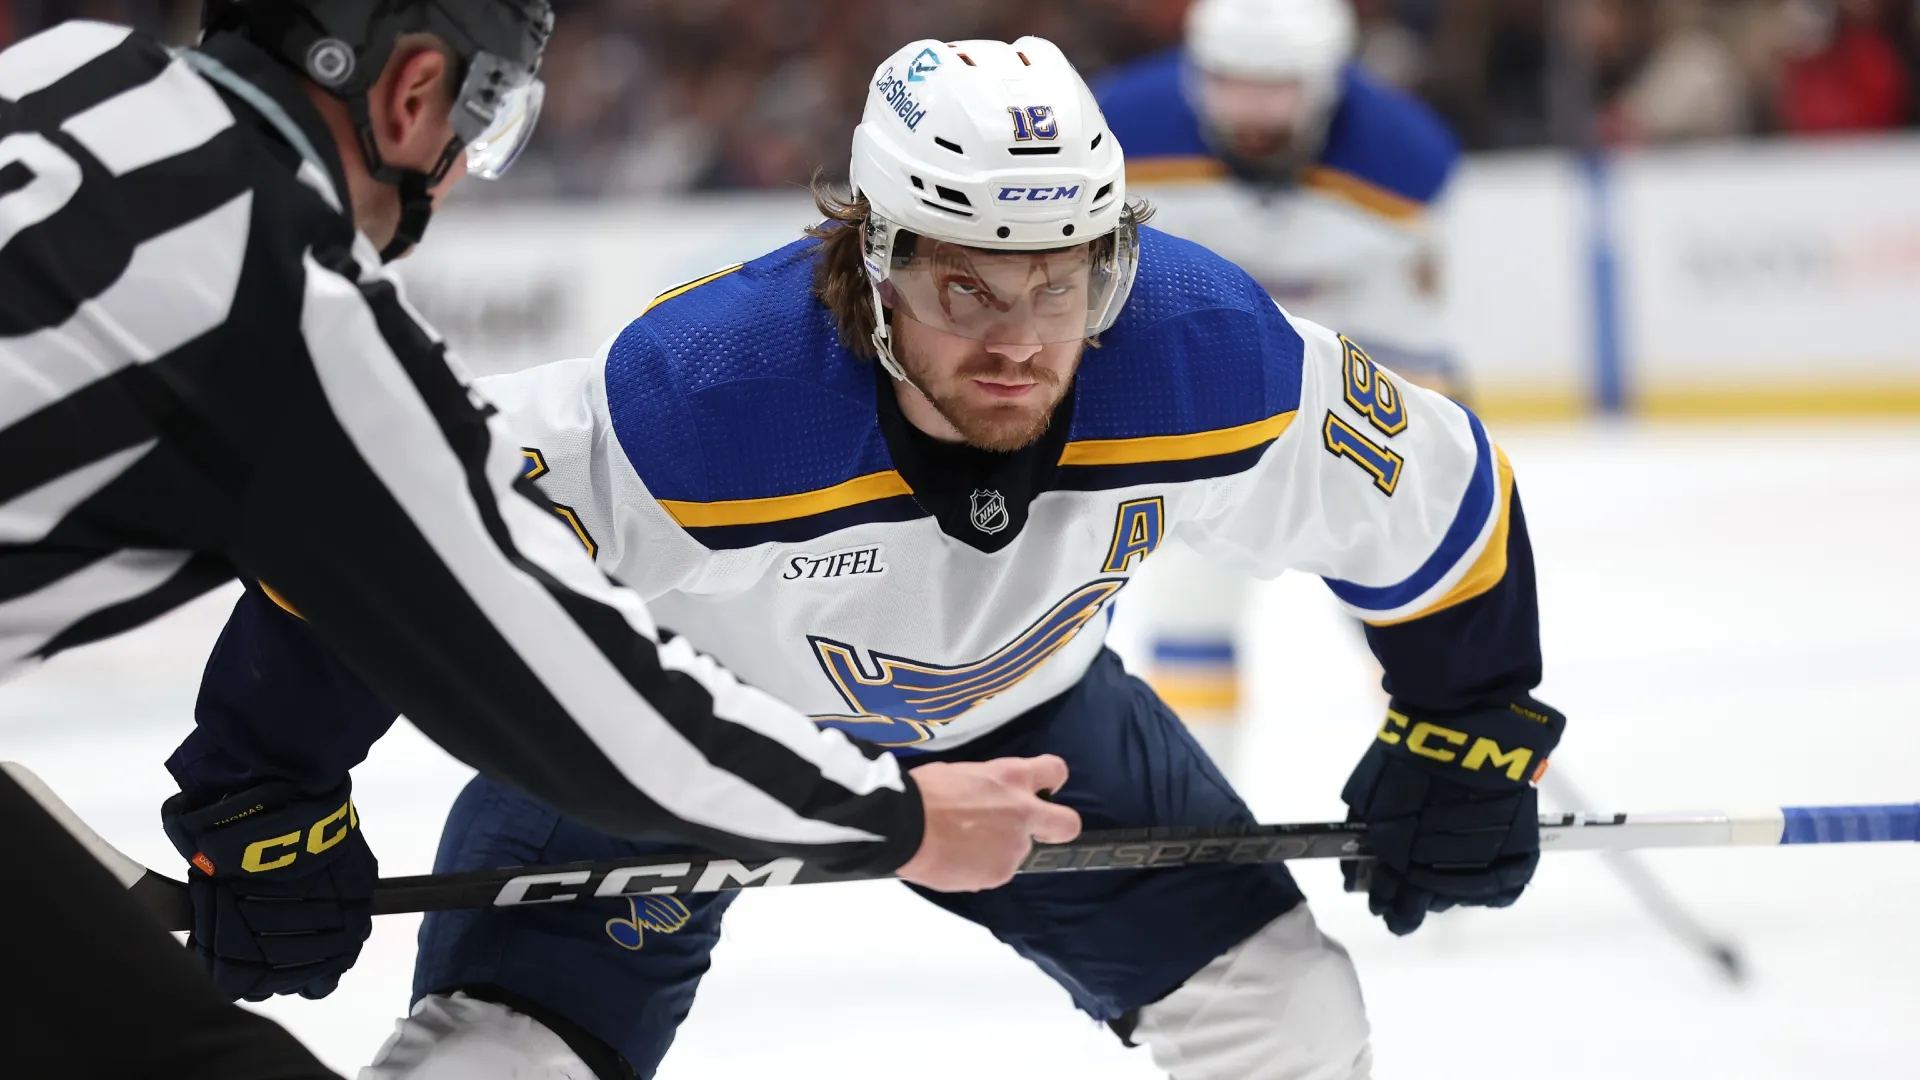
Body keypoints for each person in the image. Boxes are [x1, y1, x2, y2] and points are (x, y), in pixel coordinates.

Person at [171, 36, 1562, 1080]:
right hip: (683, 746)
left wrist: (1468, 719)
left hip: (1031, 720)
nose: (1021, 341)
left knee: (1291, 1014)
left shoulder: (1205, 357)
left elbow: (1436, 494)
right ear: (873, 260)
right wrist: (265, 786)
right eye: (967, 285)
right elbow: (398, 531)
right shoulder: (708, 396)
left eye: (1063, 280)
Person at [0, 5, 1071, 1075]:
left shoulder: (65, 67)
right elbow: (567, 692)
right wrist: (895, 818)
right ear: (416, 93)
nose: (465, 169)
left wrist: (259, 800)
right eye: (489, 118)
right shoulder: (301, 316)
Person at [1093, 0, 1464, 774]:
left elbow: (1415, 348)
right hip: (1197, 402)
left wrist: (1428, 480)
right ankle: (1198, 801)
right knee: (1192, 600)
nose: (1252, 110)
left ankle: (1438, 778)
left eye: (1277, 87)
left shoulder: (1406, 160)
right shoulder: (1117, 132)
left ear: (1327, 82)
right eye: (1230, 82)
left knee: (1406, 608)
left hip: (1352, 394)